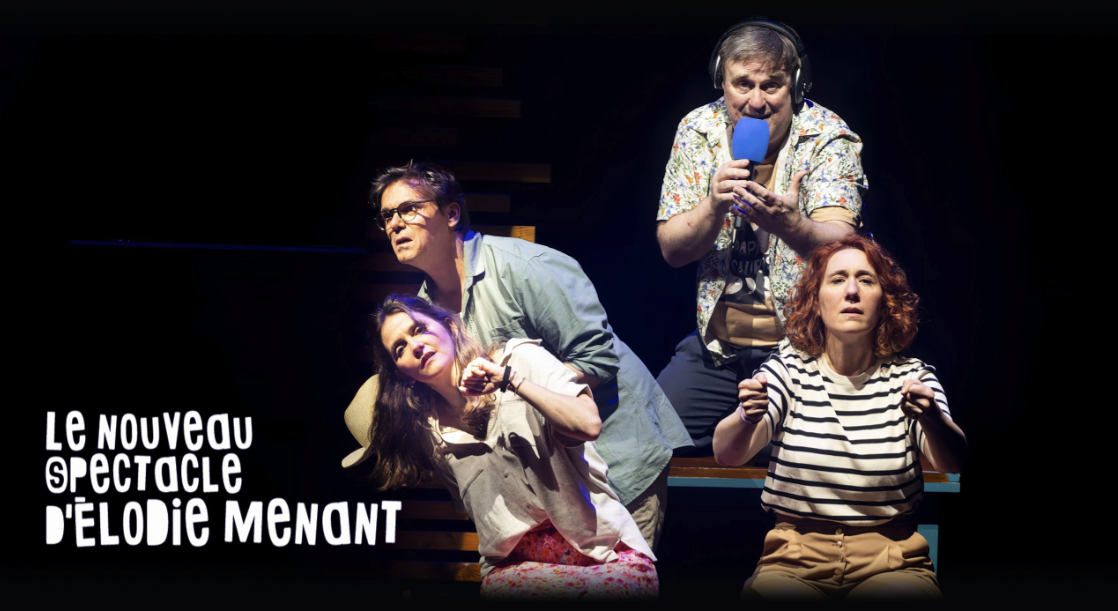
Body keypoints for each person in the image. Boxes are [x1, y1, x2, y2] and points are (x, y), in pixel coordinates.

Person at [350, 161, 691, 552]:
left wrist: (509, 382)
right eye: (387, 216)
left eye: (409, 209)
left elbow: (596, 360)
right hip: (549, 490)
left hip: (617, 457)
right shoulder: (421, 314)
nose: (395, 223)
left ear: (451, 213)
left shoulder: (524, 267)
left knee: (619, 578)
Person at [656, 18, 868, 456]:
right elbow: (672, 250)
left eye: (771, 85)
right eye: (743, 85)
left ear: (796, 85)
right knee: (646, 441)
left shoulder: (827, 135)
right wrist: (713, 206)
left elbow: (844, 245)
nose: (756, 102)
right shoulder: (698, 130)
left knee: (811, 457)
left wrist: (789, 224)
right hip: (717, 347)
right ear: (722, 81)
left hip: (806, 350)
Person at [712, 234, 967, 600]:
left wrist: (932, 419)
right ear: (816, 301)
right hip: (793, 560)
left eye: (866, 280)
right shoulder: (789, 371)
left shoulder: (911, 378)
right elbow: (726, 454)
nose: (851, 292)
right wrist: (745, 417)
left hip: (892, 560)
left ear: (885, 301)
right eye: (837, 279)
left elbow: (954, 462)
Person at [369, 294, 658, 598]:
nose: (415, 346)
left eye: (419, 330)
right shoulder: (433, 434)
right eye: (400, 348)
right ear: (402, 373)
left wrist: (511, 380)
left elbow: (588, 424)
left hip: (602, 553)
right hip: (515, 567)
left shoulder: (519, 359)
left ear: (449, 327)